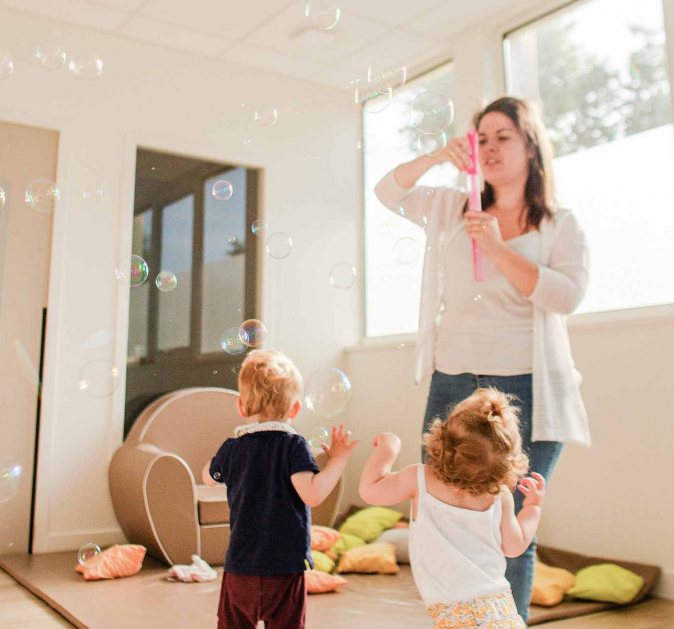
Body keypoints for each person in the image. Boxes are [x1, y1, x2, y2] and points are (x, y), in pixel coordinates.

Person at [374, 96, 590, 620]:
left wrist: (495, 248)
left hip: (529, 389)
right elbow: (387, 190)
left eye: (504, 137)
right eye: (482, 138)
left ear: (531, 146)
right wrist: (433, 158)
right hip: (454, 379)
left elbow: (566, 296)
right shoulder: (452, 204)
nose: (490, 148)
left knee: (509, 519)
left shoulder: (560, 224)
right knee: (440, 510)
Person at [358, 388, 545, 628]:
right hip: (501, 611)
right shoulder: (500, 496)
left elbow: (370, 490)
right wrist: (532, 507)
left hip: (457, 617)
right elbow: (515, 546)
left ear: (442, 441)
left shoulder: (419, 478)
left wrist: (386, 452)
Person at [201, 349, 357, 629]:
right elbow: (313, 494)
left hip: (240, 567)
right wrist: (338, 461)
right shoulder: (292, 446)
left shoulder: (232, 447)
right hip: (284, 569)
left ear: (241, 406)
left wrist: (215, 464)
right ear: (294, 409)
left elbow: (208, 477)